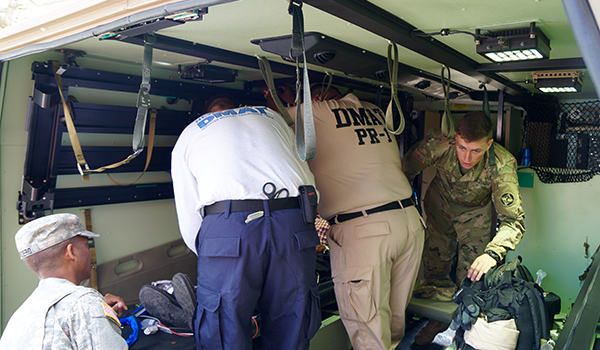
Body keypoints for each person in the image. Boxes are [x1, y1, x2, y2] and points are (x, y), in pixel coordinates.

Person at [268, 84, 425, 350]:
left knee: (368, 329)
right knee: (392, 322)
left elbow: (271, 116)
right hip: (409, 222)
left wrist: (276, 95)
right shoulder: (373, 111)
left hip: (367, 231)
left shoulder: (313, 112)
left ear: (314, 98)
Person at [171, 94, 321, 350]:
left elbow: (189, 216)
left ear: (204, 114)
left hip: (229, 227)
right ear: (240, 108)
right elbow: (306, 174)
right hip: (292, 219)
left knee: (222, 325)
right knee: (294, 320)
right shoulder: (270, 116)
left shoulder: (192, 132)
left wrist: (212, 256)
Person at [401, 111, 525, 345]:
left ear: (488, 144)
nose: (467, 157)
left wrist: (492, 253)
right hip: (440, 208)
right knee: (435, 272)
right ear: (455, 138)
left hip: (475, 215)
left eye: (476, 150)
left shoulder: (502, 163)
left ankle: (461, 335)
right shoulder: (440, 145)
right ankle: (434, 324)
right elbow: (403, 171)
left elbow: (513, 221)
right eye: (461, 147)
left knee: (471, 281)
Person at [0, 213, 129, 350]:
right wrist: (93, 308)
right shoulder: (84, 302)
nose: (89, 253)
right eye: (86, 245)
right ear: (72, 252)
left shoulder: (19, 317)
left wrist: (101, 315)